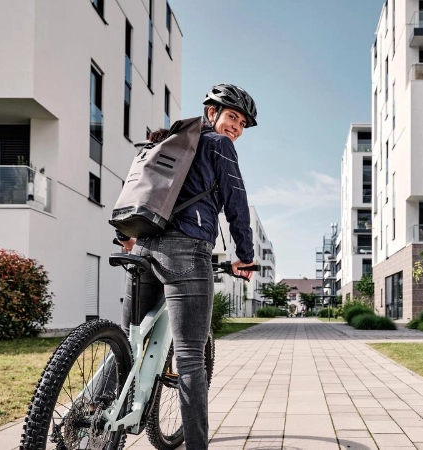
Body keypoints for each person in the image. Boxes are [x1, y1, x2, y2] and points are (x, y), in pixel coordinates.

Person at [116, 83, 258, 450]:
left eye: (242, 123)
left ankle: (90, 414)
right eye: (232, 117)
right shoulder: (217, 145)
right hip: (186, 250)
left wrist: (129, 237)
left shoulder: (171, 141)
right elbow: (236, 203)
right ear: (211, 113)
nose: (236, 128)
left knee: (129, 345)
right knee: (191, 358)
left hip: (144, 245)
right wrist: (244, 254)